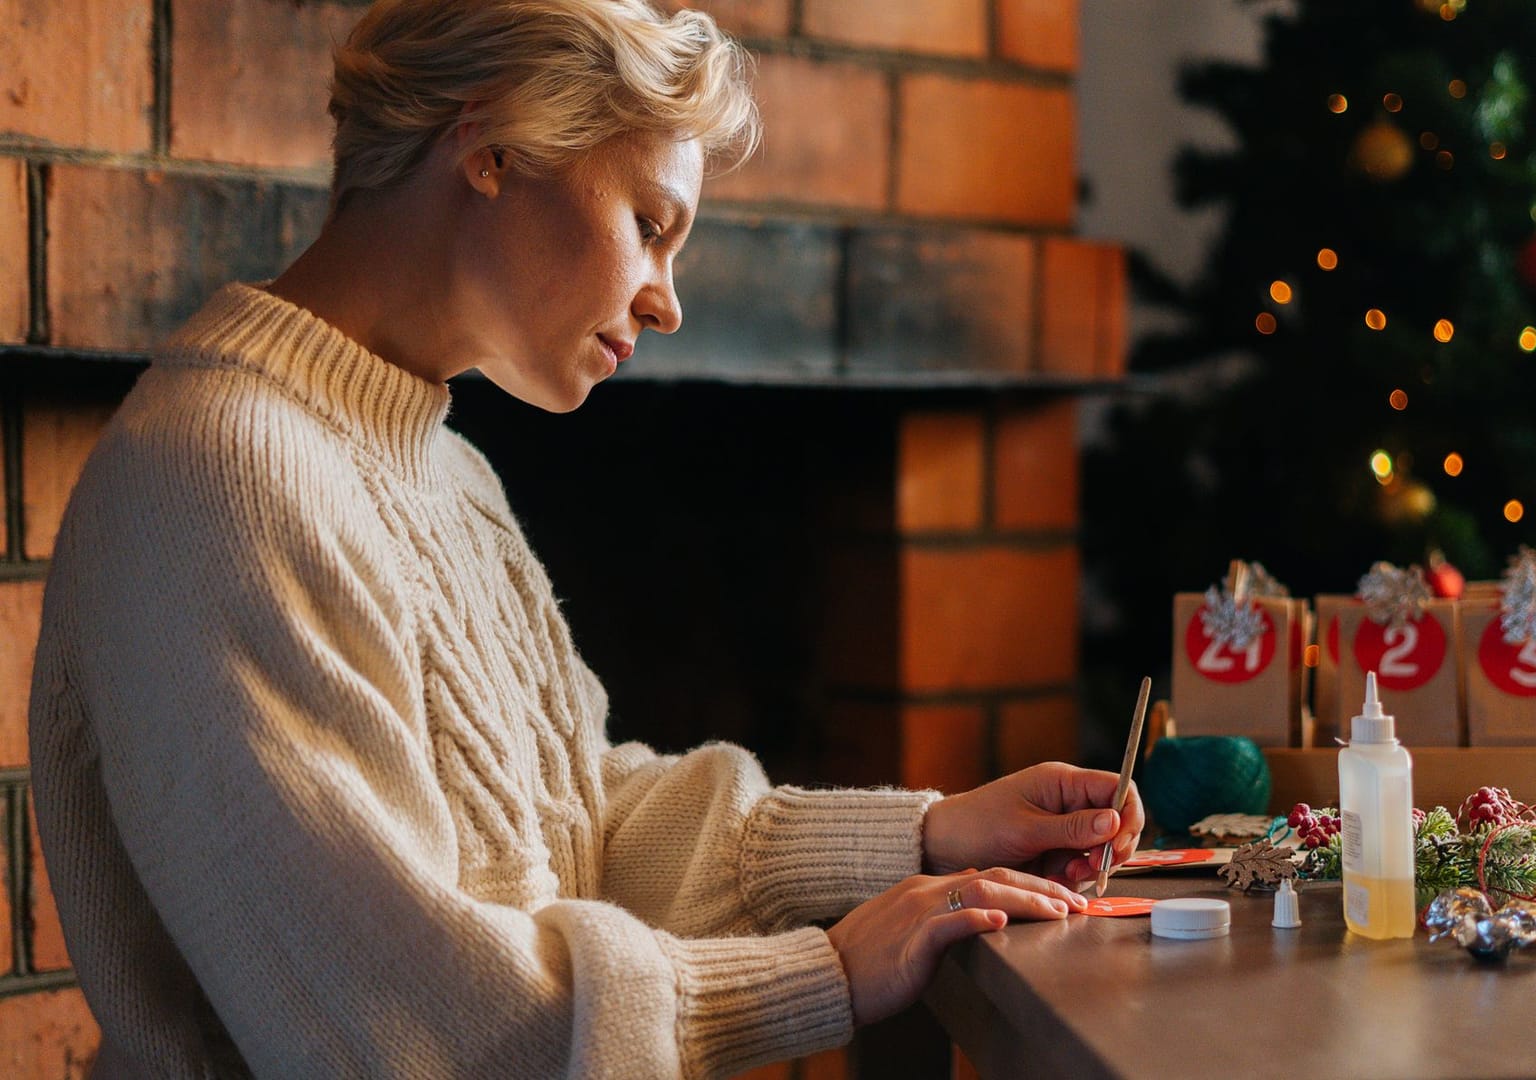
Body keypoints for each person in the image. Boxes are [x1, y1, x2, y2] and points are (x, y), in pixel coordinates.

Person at [27, 2, 1144, 1076]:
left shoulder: (441, 466)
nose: (666, 303)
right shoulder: (224, 476)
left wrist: (928, 835)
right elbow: (399, 1022)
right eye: (650, 226)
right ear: (492, 145)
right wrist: (827, 973)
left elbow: (583, 825)